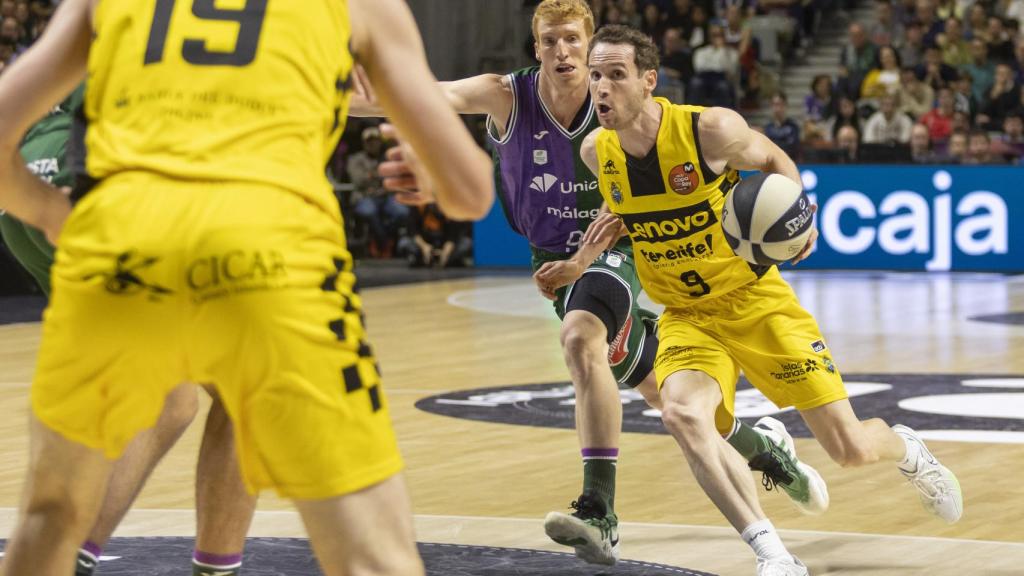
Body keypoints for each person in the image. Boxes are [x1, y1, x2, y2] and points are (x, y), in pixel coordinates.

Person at [0, 1, 493, 575]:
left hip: (121, 245)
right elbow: (471, 194)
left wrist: (51, 213)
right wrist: (426, 165)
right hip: (273, 258)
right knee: (372, 553)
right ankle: (215, 563)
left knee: (49, 522)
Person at [352, 0, 826, 566]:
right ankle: (764, 449)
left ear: (590, 42)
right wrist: (320, 93)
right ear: (536, 48)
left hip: (621, 245)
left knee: (580, 338)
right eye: (550, 41)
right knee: (658, 392)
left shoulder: (613, 101)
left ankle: (599, 511)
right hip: (553, 257)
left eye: (573, 40)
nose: (563, 52)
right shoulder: (507, 95)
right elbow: (424, 95)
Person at [561, 24, 963, 575]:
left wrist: (800, 221)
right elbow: (634, 219)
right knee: (681, 413)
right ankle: (771, 553)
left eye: (616, 75)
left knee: (850, 449)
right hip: (687, 315)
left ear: (649, 81)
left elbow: (775, 162)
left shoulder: (711, 130)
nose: (601, 87)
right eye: (595, 74)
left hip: (755, 300)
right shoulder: (595, 152)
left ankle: (908, 448)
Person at [0, 86, 258, 576]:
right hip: (101, 191)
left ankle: (67, 554)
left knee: (171, 398)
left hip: (28, 192)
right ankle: (217, 570)